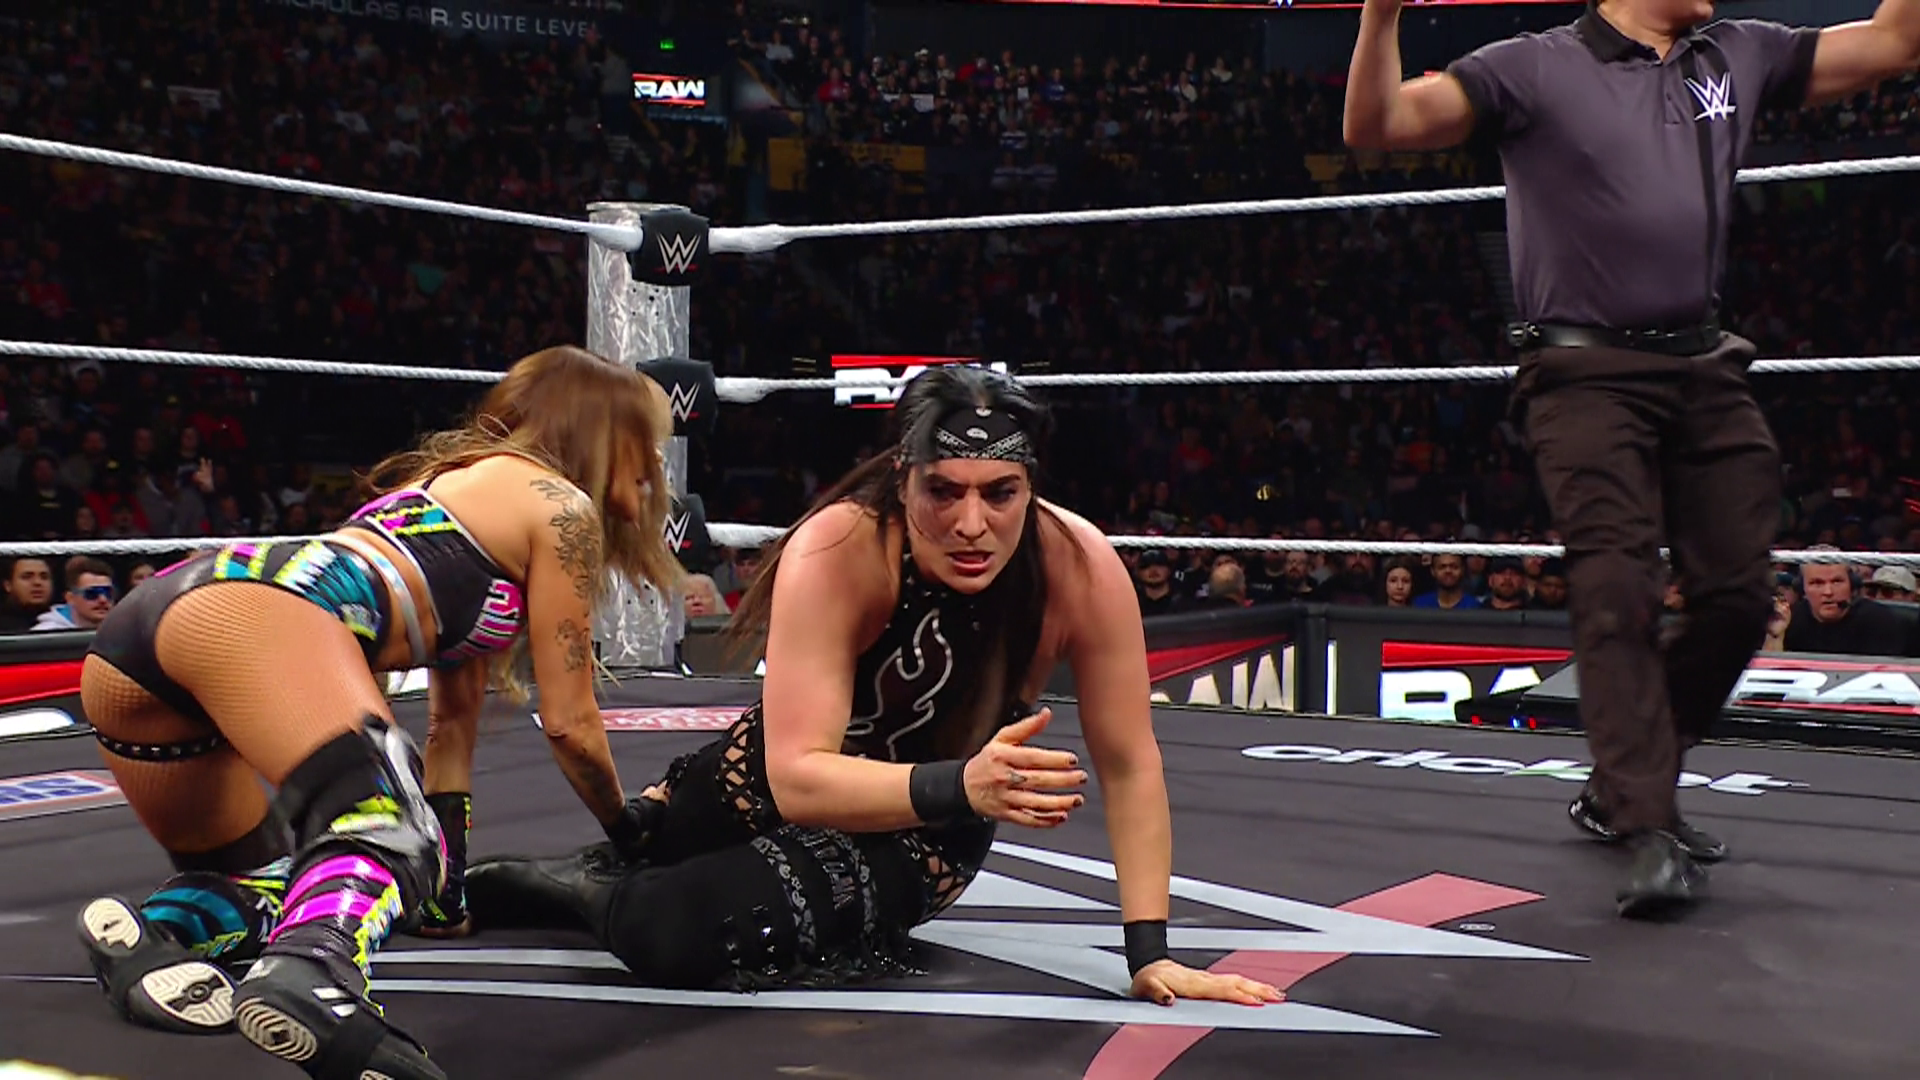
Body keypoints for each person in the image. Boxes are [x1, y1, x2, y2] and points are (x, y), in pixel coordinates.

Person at [1344, 0, 1920, 917]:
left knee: (1740, 597)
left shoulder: (1737, 51)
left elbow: (1894, 41)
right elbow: (1377, 124)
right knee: (1616, 585)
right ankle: (1648, 824)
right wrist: (1382, 14)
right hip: (1584, 374)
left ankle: (1624, 783)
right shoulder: (1531, 67)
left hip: (1705, 365)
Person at [462, 367, 1283, 1009]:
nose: (971, 525)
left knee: (668, 928)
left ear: (1030, 487)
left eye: (999, 494)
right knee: (657, 838)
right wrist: (968, 781)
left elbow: (1130, 762)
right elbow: (795, 776)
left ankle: (585, 889)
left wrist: (1150, 952)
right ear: (903, 476)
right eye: (943, 491)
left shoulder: (1079, 565)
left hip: (921, 833)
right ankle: (615, 860)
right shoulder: (841, 546)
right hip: (778, 774)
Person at [71, 346, 681, 1080]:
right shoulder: (560, 508)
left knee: (274, 882)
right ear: (609, 432)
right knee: (386, 827)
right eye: (649, 440)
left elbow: (451, 726)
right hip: (252, 613)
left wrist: (444, 894)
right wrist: (627, 828)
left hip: (143, 645)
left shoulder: (449, 490)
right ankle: (312, 976)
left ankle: (153, 940)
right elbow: (571, 724)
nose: (657, 464)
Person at [1761, 550, 1916, 657]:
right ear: (1803, 589)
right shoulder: (1788, 620)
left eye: (1837, 581)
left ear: (1852, 585)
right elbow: (1768, 680)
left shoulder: (1879, 620)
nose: (1828, 592)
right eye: (1817, 583)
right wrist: (1775, 636)